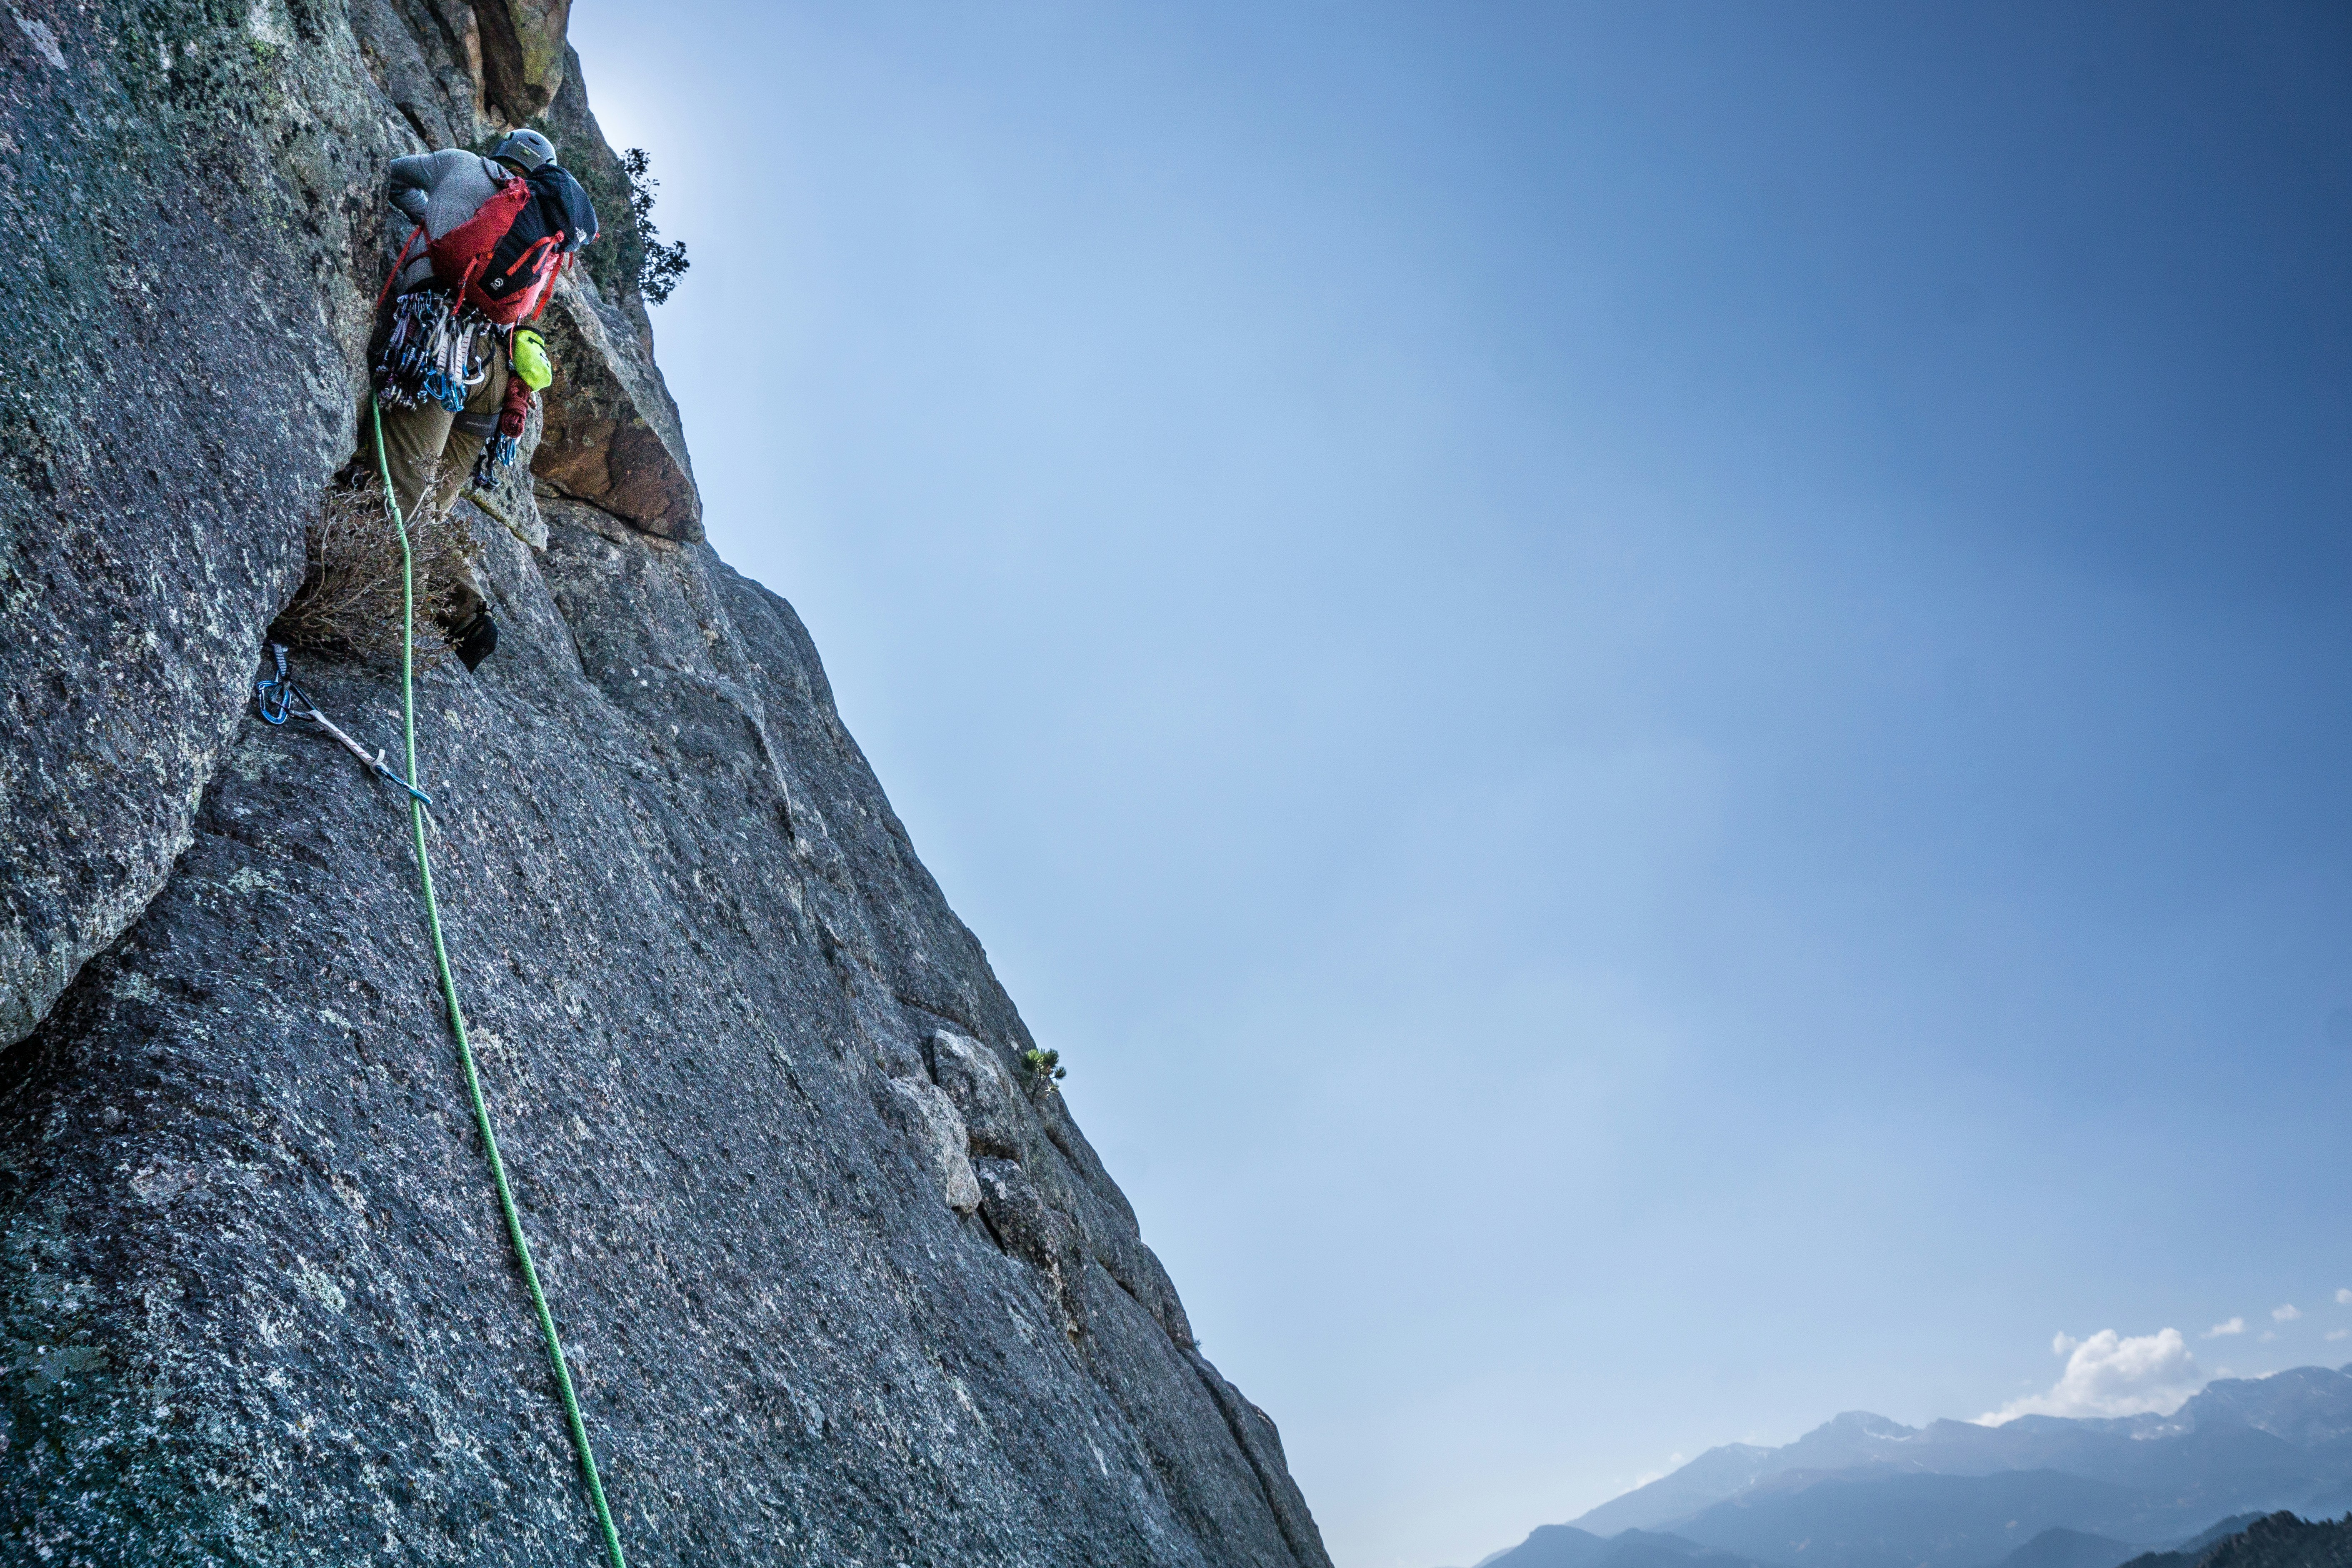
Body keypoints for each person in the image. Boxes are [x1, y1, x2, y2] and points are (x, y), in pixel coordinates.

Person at [354, 128, 592, 670]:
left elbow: (395, 175)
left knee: (397, 488)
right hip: (493, 374)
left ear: (501, 154)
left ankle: (456, 613)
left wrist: (432, 219)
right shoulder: (544, 226)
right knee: (435, 500)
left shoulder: (460, 165)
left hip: (439, 344)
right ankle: (445, 607)